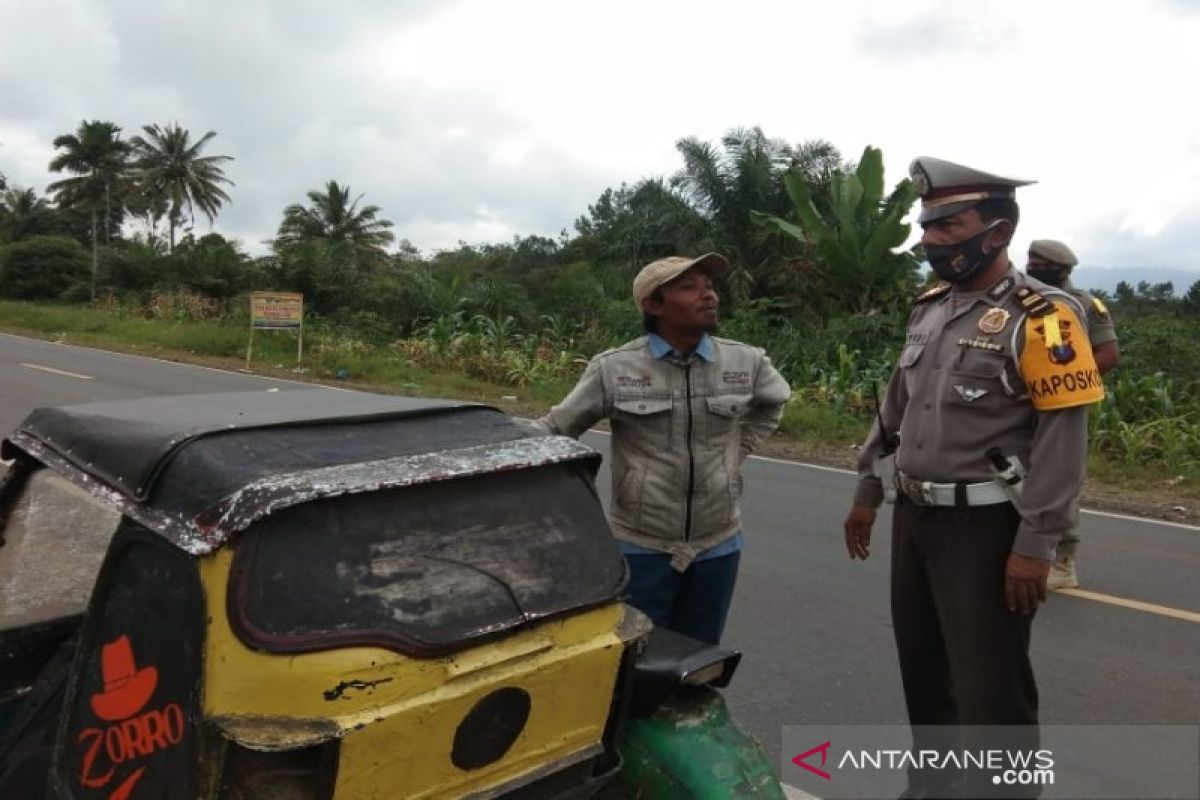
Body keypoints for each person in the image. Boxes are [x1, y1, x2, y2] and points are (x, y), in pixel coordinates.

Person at [842, 156, 1106, 798]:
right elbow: (895, 409)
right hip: (916, 516)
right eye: (927, 225)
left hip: (986, 528)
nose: (930, 239)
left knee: (993, 691)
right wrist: (867, 489)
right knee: (926, 675)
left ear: (996, 232)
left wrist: (1036, 545)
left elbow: (1063, 440)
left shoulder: (1042, 317)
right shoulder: (930, 308)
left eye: (947, 225)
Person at [536, 253, 790, 645]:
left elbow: (774, 402)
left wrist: (735, 454)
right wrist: (491, 450)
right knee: (637, 662)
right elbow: (555, 428)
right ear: (653, 305)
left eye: (708, 284)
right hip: (641, 547)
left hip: (718, 545)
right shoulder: (614, 369)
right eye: (688, 287)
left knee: (698, 661)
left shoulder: (745, 360)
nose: (708, 295)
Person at [1026, 239, 1122, 589]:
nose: (1034, 266)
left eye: (1042, 262)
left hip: (1062, 407)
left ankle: (1063, 562)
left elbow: (1108, 354)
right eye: (1031, 260)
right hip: (1023, 406)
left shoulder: (1084, 304)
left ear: (1064, 269)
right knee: (1017, 477)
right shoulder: (1029, 302)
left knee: (1059, 480)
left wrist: (1067, 385)